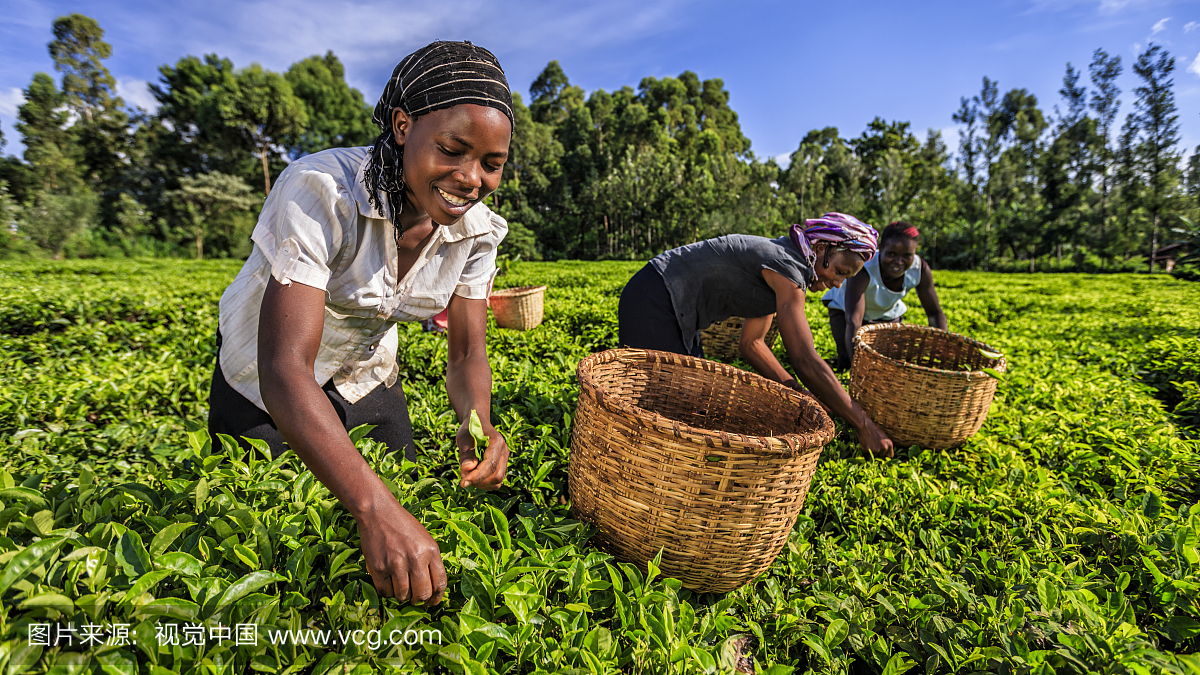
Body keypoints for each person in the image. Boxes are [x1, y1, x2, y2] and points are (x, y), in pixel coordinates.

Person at [207, 41, 515, 608]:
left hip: (364, 374)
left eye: (491, 164)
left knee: (410, 502)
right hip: (263, 380)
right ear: (403, 126)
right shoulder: (320, 191)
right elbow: (285, 370)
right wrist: (375, 509)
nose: (471, 178)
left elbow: (468, 351)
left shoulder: (479, 231)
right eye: (452, 149)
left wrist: (477, 424)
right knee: (285, 534)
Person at [618, 213, 895, 458]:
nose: (837, 283)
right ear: (821, 247)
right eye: (840, 272)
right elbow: (805, 359)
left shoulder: (783, 264)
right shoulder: (788, 267)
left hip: (675, 312)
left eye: (845, 279)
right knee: (664, 408)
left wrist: (802, 396)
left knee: (693, 402)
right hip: (654, 297)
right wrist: (864, 424)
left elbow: (753, 344)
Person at [822, 221, 948, 370]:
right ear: (880, 249)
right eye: (892, 254)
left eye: (907, 255)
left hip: (887, 315)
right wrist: (859, 368)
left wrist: (941, 352)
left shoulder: (919, 269)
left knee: (888, 365)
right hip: (845, 313)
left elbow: (934, 313)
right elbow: (854, 321)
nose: (898, 262)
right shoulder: (864, 269)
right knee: (847, 362)